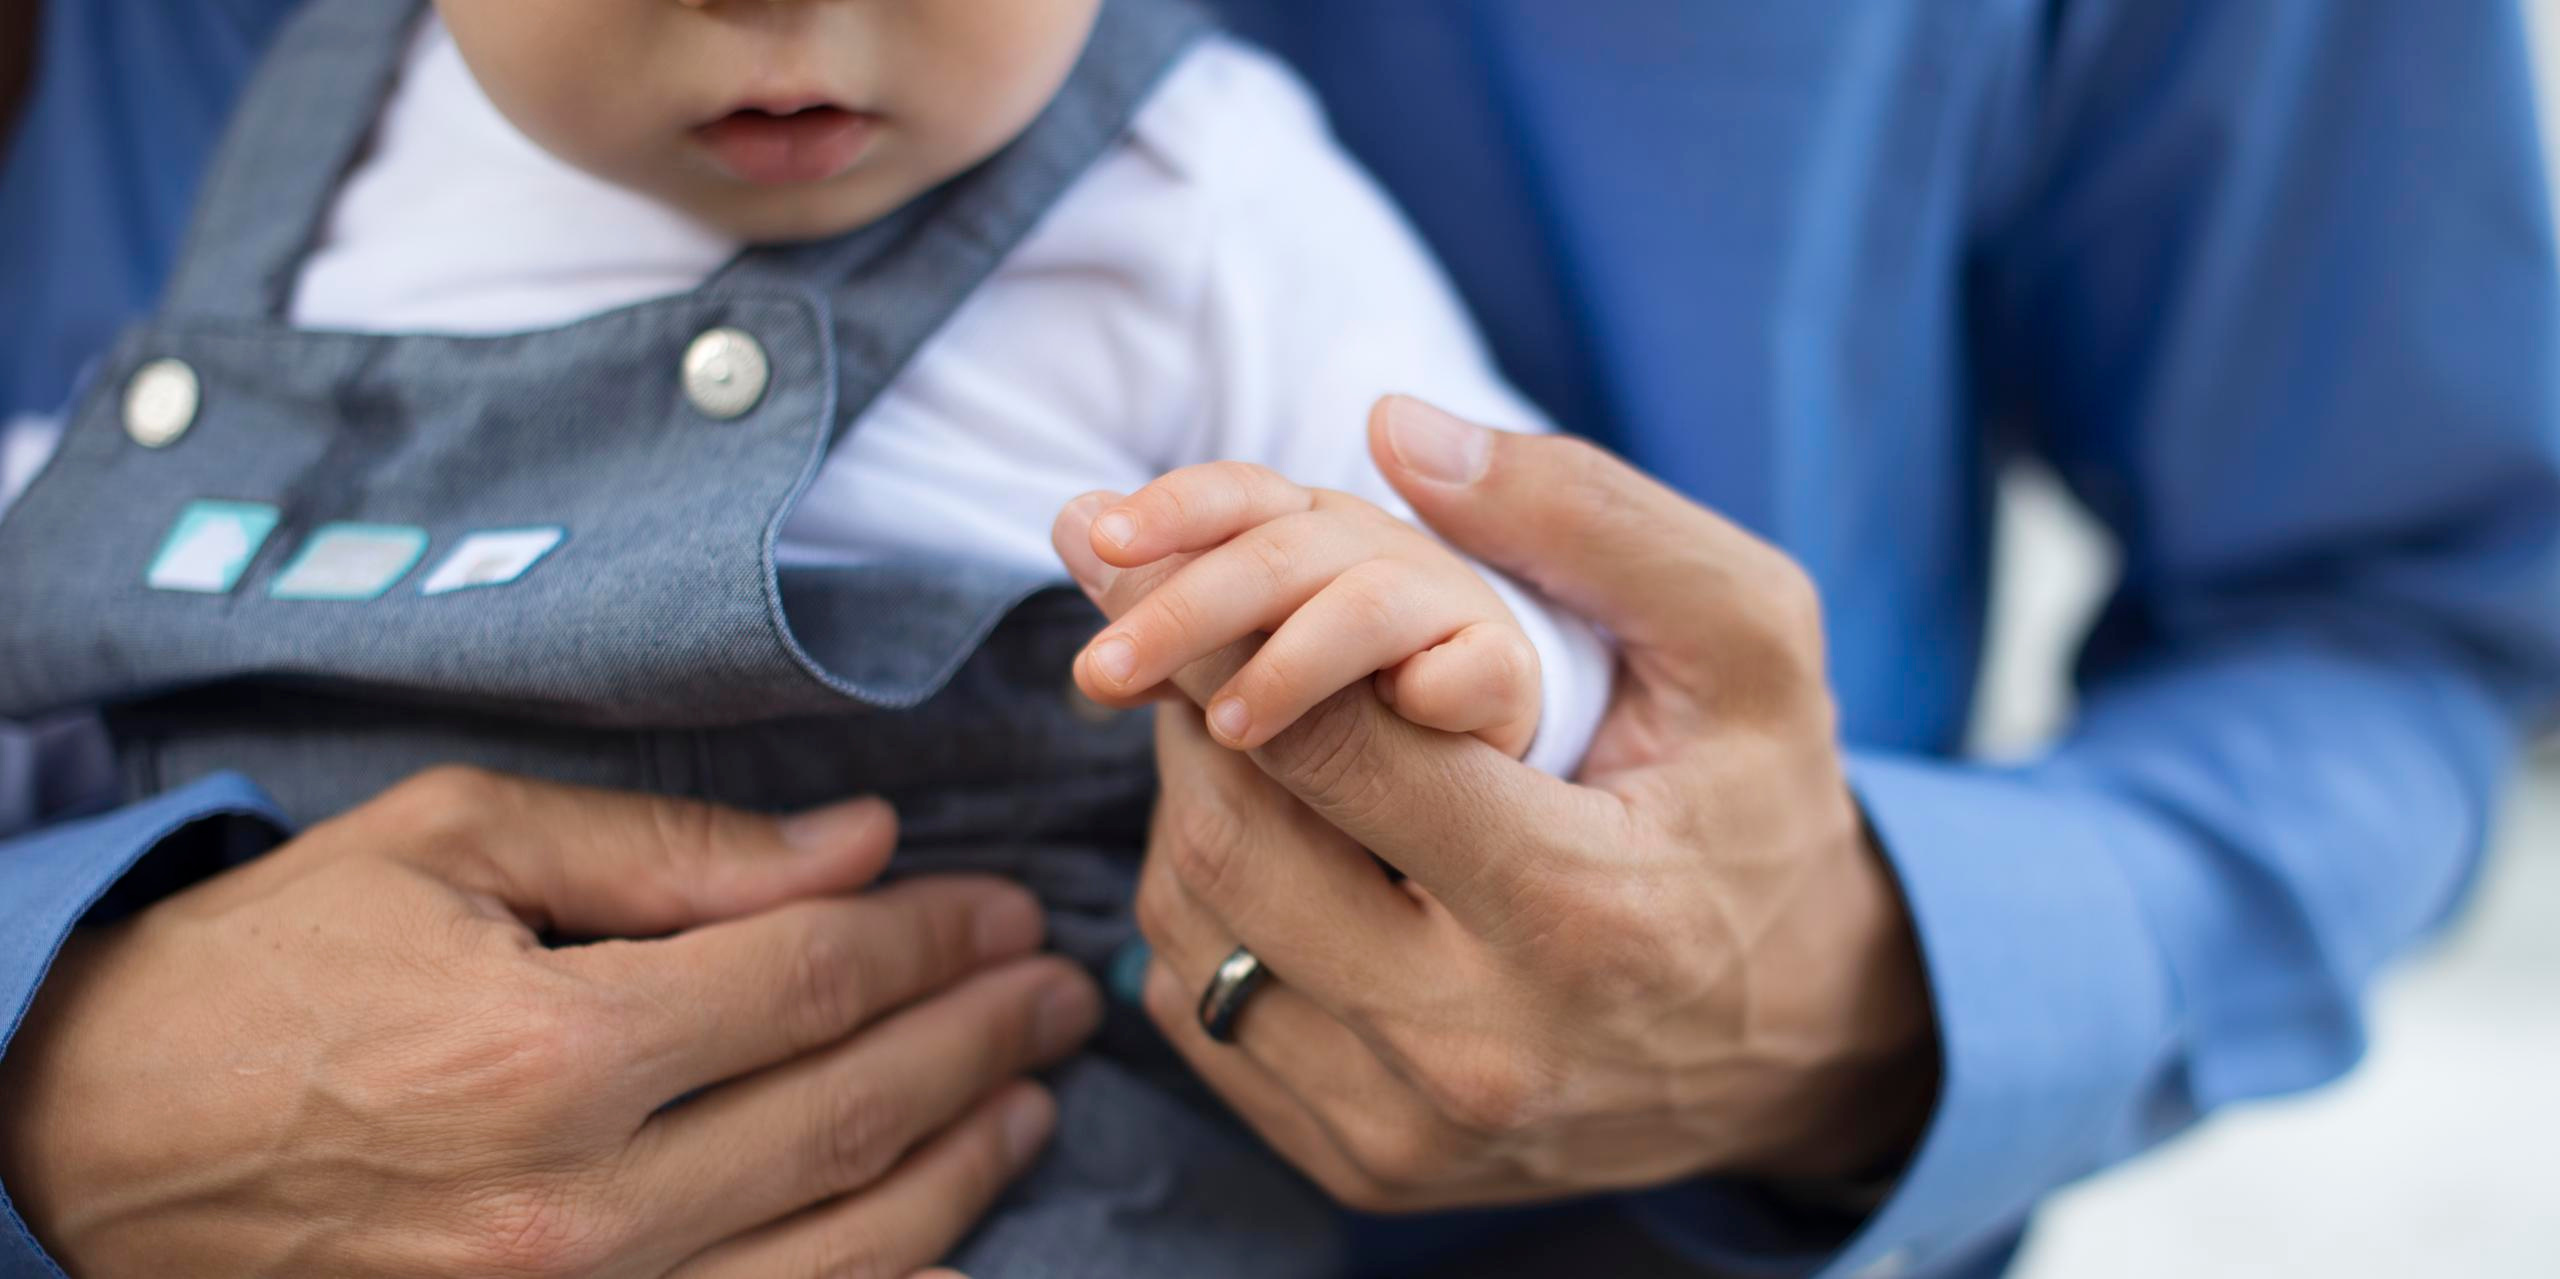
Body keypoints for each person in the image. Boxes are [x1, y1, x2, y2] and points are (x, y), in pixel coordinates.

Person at [4, 3, 2556, 1279]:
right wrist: (40, 1052)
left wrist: (1851, 967)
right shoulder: (306, 134)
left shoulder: (1217, 205)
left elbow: (2409, 595)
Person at [0, 0, 1614, 1274]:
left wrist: (1475, 666)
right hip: (306, 1165)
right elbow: (92, 585)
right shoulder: (327, 140)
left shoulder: (1194, 195)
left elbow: (1516, 564)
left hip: (986, 1168)